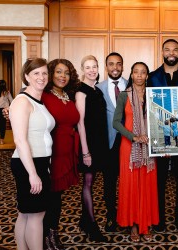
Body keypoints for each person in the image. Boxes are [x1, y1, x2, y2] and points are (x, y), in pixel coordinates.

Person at [147, 38, 178, 232]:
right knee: (159, 181)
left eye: (174, 50)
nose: (171, 53)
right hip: (162, 135)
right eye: (167, 50)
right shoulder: (152, 77)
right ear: (162, 52)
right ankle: (159, 218)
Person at [9, 58, 55, 250]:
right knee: (36, 215)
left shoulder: (38, 100)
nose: (41, 77)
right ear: (26, 76)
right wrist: (33, 173)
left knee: (26, 213)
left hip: (38, 162)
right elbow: (19, 140)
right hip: (28, 164)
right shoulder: (22, 102)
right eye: (36, 73)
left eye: (44, 73)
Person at [113, 62, 159, 242]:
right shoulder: (124, 95)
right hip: (129, 148)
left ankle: (145, 224)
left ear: (147, 75)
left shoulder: (152, 95)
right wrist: (134, 137)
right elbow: (115, 122)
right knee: (131, 186)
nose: (139, 75)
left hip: (149, 147)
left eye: (143, 72)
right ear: (131, 75)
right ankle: (133, 224)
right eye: (136, 72)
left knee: (147, 186)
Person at [41, 59, 80, 250]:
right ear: (50, 73)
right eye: (58, 72)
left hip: (67, 153)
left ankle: (53, 235)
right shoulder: (43, 96)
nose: (62, 76)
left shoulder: (68, 95)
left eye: (66, 72)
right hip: (51, 154)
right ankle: (45, 238)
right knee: (49, 199)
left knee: (57, 199)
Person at [76, 55, 109, 242]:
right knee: (88, 182)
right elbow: (80, 123)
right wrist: (85, 151)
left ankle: (83, 220)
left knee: (91, 180)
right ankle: (92, 226)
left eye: (94, 66)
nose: (91, 70)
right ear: (83, 69)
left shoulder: (96, 89)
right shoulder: (81, 91)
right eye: (87, 67)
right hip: (88, 144)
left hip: (98, 143)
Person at [96, 52, 128, 232]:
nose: (115, 67)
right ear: (106, 66)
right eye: (111, 64)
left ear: (123, 66)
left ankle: (127, 215)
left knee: (127, 181)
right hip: (108, 142)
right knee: (109, 182)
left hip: (129, 141)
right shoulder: (98, 88)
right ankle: (110, 215)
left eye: (118, 64)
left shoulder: (131, 85)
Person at [0, 79, 13, 144]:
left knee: (0, 124)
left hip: (3, 110)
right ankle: (0, 139)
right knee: (2, 124)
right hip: (3, 109)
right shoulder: (6, 92)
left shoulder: (7, 92)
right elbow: (12, 101)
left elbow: (12, 101)